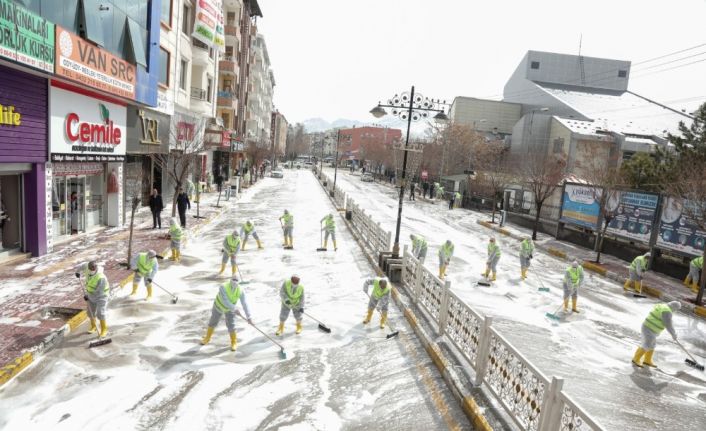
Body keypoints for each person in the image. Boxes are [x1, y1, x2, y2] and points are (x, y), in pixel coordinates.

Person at [200, 274, 252, 351]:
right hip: (218, 306)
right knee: (213, 322)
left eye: (236, 280)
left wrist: (249, 317)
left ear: (238, 282)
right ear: (230, 280)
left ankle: (234, 342)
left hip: (230, 310)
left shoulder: (241, 290)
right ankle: (207, 338)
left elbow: (245, 304)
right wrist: (234, 309)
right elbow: (225, 301)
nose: (235, 282)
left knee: (231, 325)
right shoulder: (223, 286)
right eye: (233, 280)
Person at [632, 301, 681, 368]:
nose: (676, 311)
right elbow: (668, 324)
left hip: (650, 328)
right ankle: (636, 359)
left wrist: (673, 333)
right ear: (674, 307)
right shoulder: (667, 311)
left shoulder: (663, 306)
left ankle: (647, 360)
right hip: (649, 328)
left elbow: (667, 321)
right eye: (676, 309)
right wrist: (673, 334)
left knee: (652, 344)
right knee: (647, 344)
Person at [75, 261, 109, 337]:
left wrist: (87, 296)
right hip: (90, 294)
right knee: (90, 312)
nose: (91, 270)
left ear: (96, 268)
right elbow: (80, 266)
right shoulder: (86, 266)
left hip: (102, 296)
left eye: (93, 269)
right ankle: (93, 326)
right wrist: (77, 272)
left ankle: (104, 329)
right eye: (90, 268)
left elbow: (99, 291)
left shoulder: (101, 277)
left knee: (100, 312)